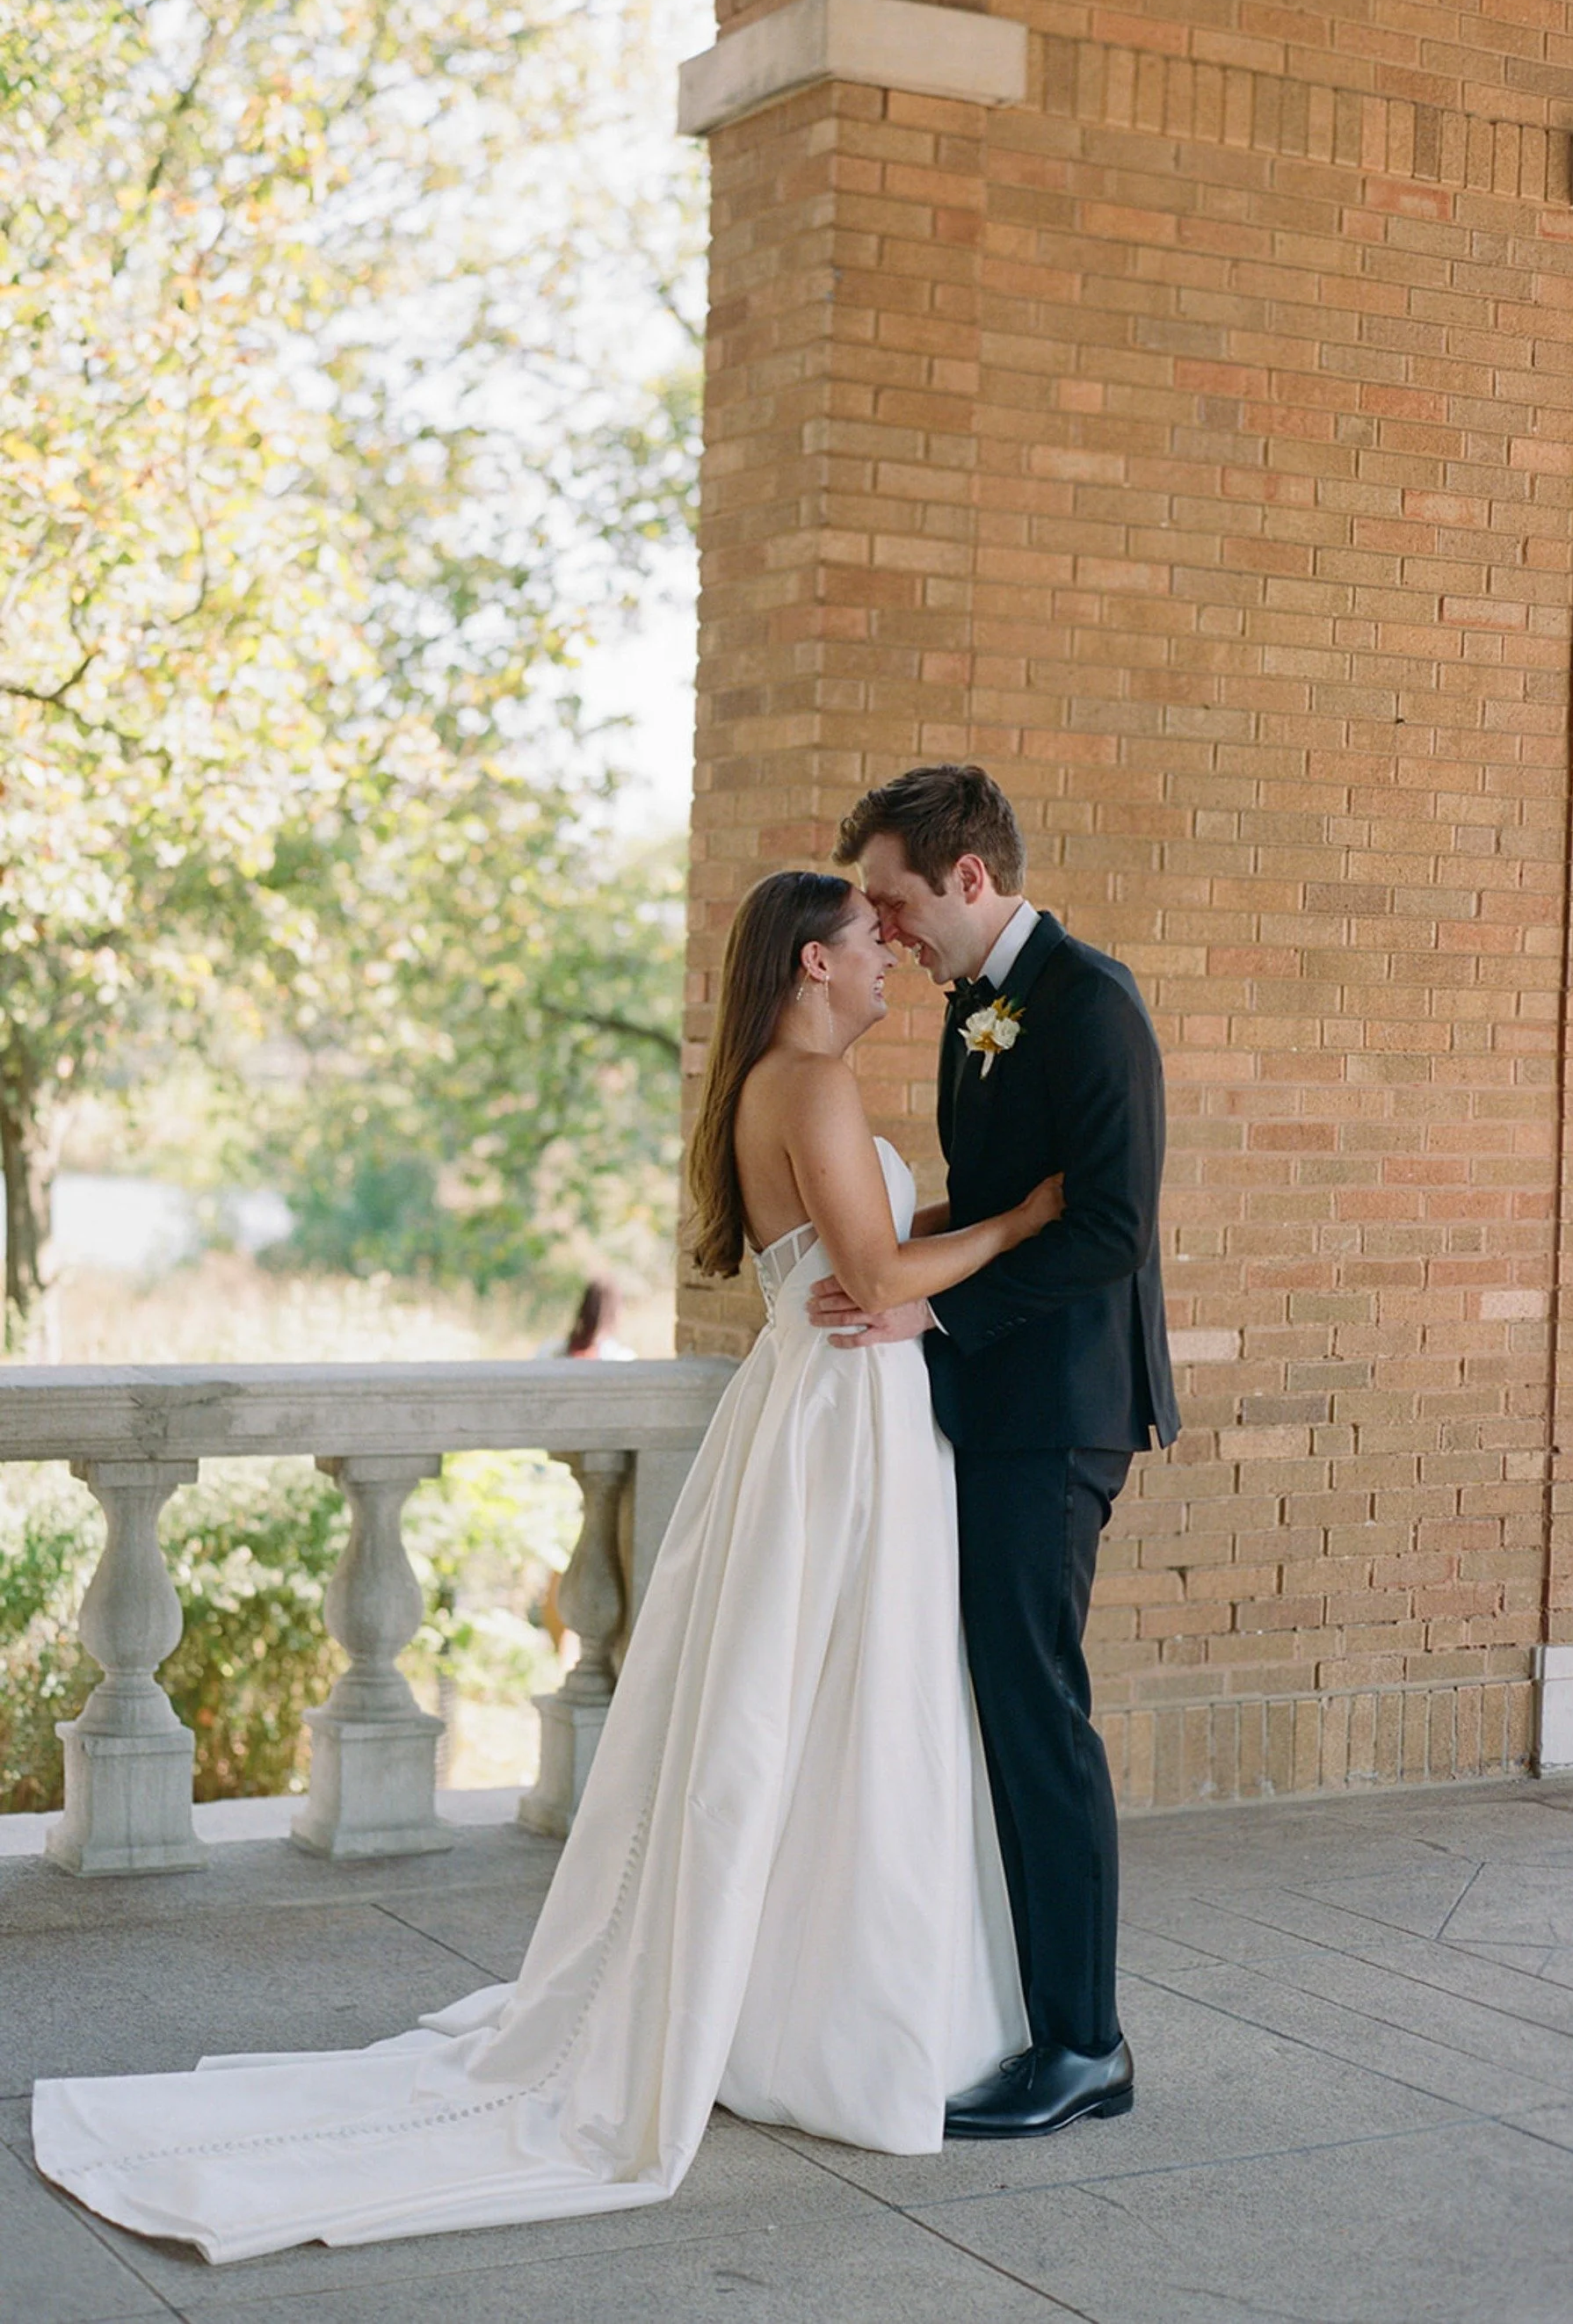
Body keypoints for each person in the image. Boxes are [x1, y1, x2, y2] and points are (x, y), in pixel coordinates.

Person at [32, 871, 1061, 2263]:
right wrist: (1023, 1220)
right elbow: (873, 1283)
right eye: (870, 944)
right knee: (841, 1706)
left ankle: (791, 2002)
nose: (892, 961)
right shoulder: (810, 1083)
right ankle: (827, 2017)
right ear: (813, 965)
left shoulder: (774, 1081)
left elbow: (856, 1268)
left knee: (805, 1713)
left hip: (823, 1408)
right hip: (841, 1419)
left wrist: (918, 1252)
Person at [817, 765, 1179, 2139]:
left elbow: (1109, 1230)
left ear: (969, 879)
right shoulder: (982, 1006)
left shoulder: (1092, 1002)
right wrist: (901, 1267)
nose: (888, 929)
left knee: (1039, 1714)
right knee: (1003, 1707)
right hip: (996, 1397)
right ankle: (1037, 2020)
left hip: (1064, 1415)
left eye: (899, 902)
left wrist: (932, 1302)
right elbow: (1007, 1199)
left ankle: (1087, 2045)